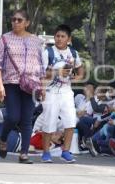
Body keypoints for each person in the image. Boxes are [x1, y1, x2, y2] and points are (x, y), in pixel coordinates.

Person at [0, 9, 45, 164]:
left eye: (19, 20)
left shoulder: (36, 40)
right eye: (13, 19)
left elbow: (40, 65)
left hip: (31, 85)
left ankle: (24, 153)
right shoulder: (5, 39)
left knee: (27, 119)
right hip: (11, 83)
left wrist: (42, 87)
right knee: (14, 116)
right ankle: (3, 138)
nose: (15, 22)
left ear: (27, 23)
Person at [40, 24, 83, 163]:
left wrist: (76, 78)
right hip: (50, 91)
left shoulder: (73, 53)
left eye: (63, 36)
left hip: (66, 91)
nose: (59, 39)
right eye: (57, 36)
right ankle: (46, 153)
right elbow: (41, 73)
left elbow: (80, 71)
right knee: (49, 122)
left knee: (71, 121)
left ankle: (66, 151)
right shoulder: (48, 52)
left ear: (68, 39)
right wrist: (57, 72)